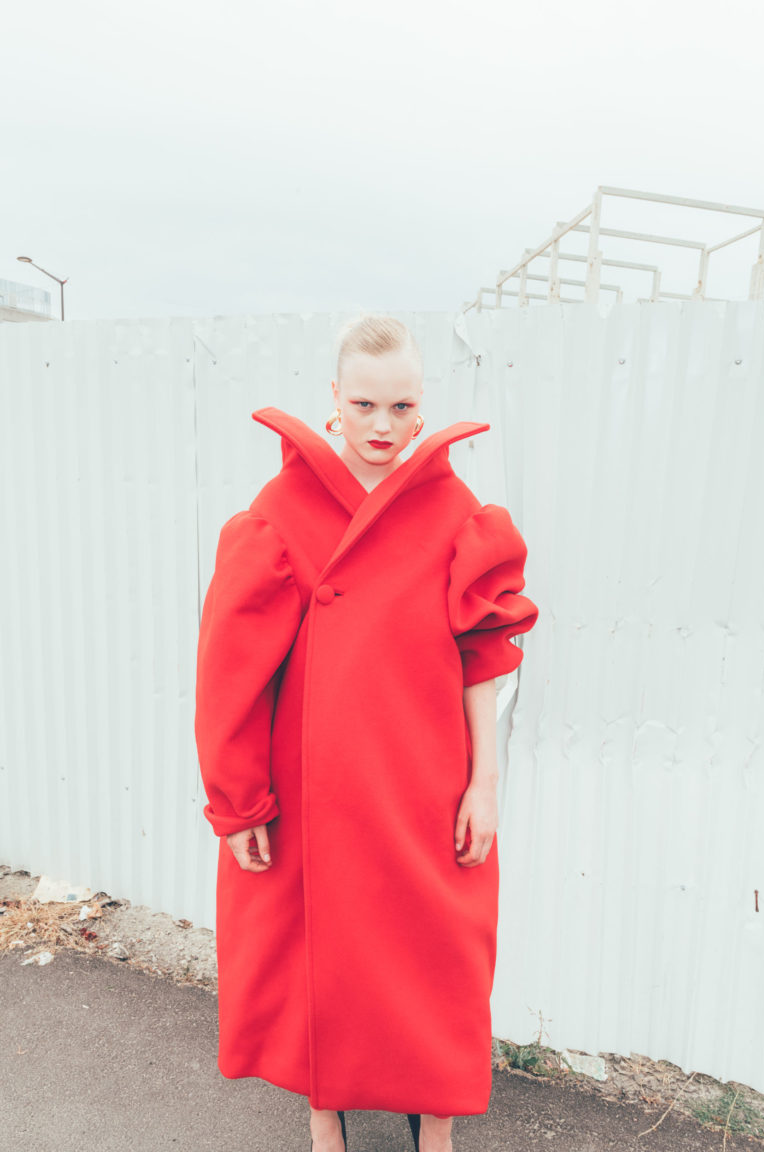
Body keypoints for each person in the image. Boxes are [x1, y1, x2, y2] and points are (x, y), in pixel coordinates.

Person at [194, 313, 539, 1152]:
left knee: (439, 955)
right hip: (315, 787)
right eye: (365, 405)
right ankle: (326, 1123)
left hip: (425, 778)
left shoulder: (455, 511)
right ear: (335, 401)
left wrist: (485, 783)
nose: (383, 426)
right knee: (320, 962)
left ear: (423, 408)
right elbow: (232, 671)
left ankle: (436, 1126)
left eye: (401, 406)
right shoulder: (281, 512)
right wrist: (239, 804)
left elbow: (483, 660)